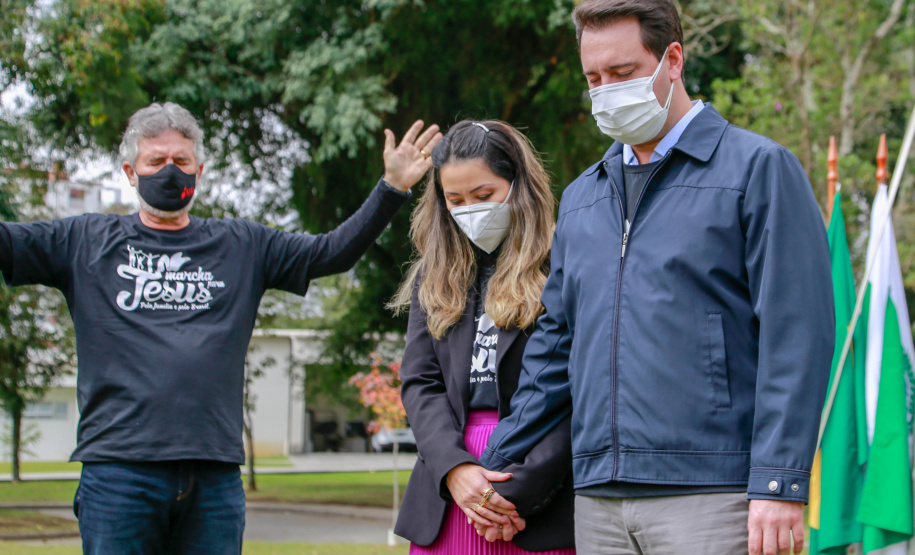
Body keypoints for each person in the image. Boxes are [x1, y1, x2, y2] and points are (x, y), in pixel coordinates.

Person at [0, 101, 441, 554]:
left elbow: (331, 253)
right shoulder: (83, 242)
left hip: (213, 477)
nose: (169, 171)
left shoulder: (242, 244)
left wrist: (391, 188)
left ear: (199, 169)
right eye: (155, 162)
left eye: (181, 161)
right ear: (131, 172)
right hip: (120, 474)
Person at [478, 2, 835, 554]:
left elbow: (798, 333)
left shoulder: (757, 170)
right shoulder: (580, 198)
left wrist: (779, 481)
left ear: (673, 59)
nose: (605, 92)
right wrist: (496, 461)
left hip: (714, 493)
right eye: (593, 78)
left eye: (621, 74)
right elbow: (554, 348)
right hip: (598, 499)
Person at [391, 119, 576, 554]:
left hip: (534, 495)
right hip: (448, 484)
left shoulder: (562, 267)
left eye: (483, 195)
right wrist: (454, 470)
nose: (469, 209)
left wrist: (513, 495)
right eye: (454, 200)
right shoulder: (433, 278)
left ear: (519, 186)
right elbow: (420, 383)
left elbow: (574, 390)